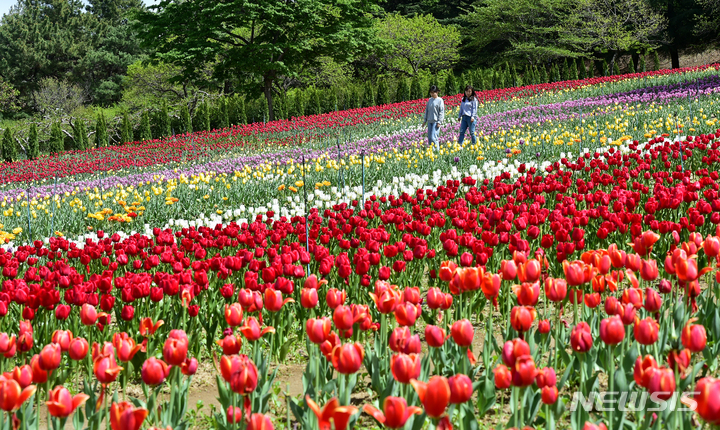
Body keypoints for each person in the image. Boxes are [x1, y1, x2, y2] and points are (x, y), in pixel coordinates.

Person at [422, 85, 445, 150]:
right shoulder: (430, 100)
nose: (432, 94)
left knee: (433, 137)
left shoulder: (440, 100)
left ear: (437, 92)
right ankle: (432, 152)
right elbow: (427, 110)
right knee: (429, 138)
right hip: (429, 121)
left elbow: (441, 111)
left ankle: (437, 151)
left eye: (433, 93)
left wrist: (439, 121)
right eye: (431, 93)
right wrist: (425, 120)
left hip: (436, 121)